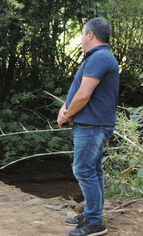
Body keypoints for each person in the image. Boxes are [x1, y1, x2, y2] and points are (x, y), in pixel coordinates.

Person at [57, 17, 119, 236]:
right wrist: (64, 107)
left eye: (82, 34)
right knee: (93, 171)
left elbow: (83, 95)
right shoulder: (97, 57)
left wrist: (67, 115)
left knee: (83, 170)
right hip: (92, 125)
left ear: (90, 35)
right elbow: (77, 90)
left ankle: (94, 222)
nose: (81, 38)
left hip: (92, 126)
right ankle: (93, 214)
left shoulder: (99, 58)